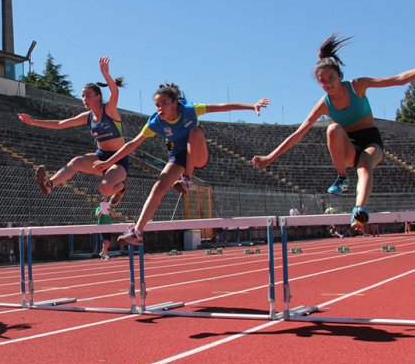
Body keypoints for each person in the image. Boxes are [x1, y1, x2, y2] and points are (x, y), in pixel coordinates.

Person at [252, 33, 415, 231]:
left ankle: (359, 211)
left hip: (372, 141)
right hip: (348, 145)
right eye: (322, 81)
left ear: (340, 76)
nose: (327, 84)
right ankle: (342, 177)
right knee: (332, 128)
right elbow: (299, 133)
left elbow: (399, 79)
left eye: (331, 78)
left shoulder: (357, 86)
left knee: (365, 163)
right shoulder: (323, 104)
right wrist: (270, 157)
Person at [93, 83, 269, 246]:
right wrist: (109, 161)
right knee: (158, 187)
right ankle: (137, 231)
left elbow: (223, 107)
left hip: (197, 153)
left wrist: (252, 105)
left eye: (164, 103)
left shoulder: (190, 110)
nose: (159, 108)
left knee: (195, 131)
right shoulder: (155, 122)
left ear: (175, 104)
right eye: (157, 105)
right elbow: (132, 144)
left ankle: (187, 180)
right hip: (178, 157)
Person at [17, 57, 129, 206]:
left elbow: (114, 92)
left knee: (104, 189)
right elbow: (60, 124)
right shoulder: (87, 117)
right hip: (100, 157)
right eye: (82, 95)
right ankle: (49, 185)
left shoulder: (109, 110)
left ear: (98, 96)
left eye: (88, 95)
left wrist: (105, 74)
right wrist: (34, 122)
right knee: (76, 162)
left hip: (118, 159)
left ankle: (121, 188)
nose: (84, 99)